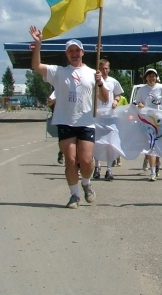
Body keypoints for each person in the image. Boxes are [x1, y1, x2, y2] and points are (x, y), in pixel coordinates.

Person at [29, 26, 108, 209]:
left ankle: (87, 183)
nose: (74, 54)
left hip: (87, 122)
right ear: (66, 54)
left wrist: (100, 83)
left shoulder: (92, 73)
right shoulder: (58, 72)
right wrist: (38, 44)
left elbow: (104, 98)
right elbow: (36, 66)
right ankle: (74, 195)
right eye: (70, 51)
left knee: (86, 161)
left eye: (77, 50)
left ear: (82, 52)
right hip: (65, 120)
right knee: (71, 160)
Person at [134, 68, 162, 181]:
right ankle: (152, 172)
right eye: (149, 76)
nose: (151, 78)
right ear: (146, 78)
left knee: (158, 146)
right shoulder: (142, 89)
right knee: (151, 145)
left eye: (153, 76)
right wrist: (140, 105)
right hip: (147, 120)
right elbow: (138, 102)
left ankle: (157, 165)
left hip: (161, 121)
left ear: (156, 77)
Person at [92, 59, 124, 181]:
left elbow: (118, 94)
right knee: (97, 143)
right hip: (97, 116)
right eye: (102, 68)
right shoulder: (93, 80)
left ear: (109, 69)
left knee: (110, 143)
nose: (104, 71)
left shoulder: (113, 82)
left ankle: (109, 169)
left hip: (110, 116)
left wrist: (116, 101)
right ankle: (97, 166)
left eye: (106, 68)